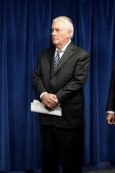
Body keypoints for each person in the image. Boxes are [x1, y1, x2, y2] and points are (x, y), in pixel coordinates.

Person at [33, 16, 90, 173]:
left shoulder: (81, 55)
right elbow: (36, 77)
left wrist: (56, 98)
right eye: (52, 30)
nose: (53, 33)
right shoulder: (44, 54)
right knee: (49, 162)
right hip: (47, 117)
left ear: (69, 33)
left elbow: (78, 82)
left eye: (57, 30)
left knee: (71, 163)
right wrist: (44, 94)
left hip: (69, 119)